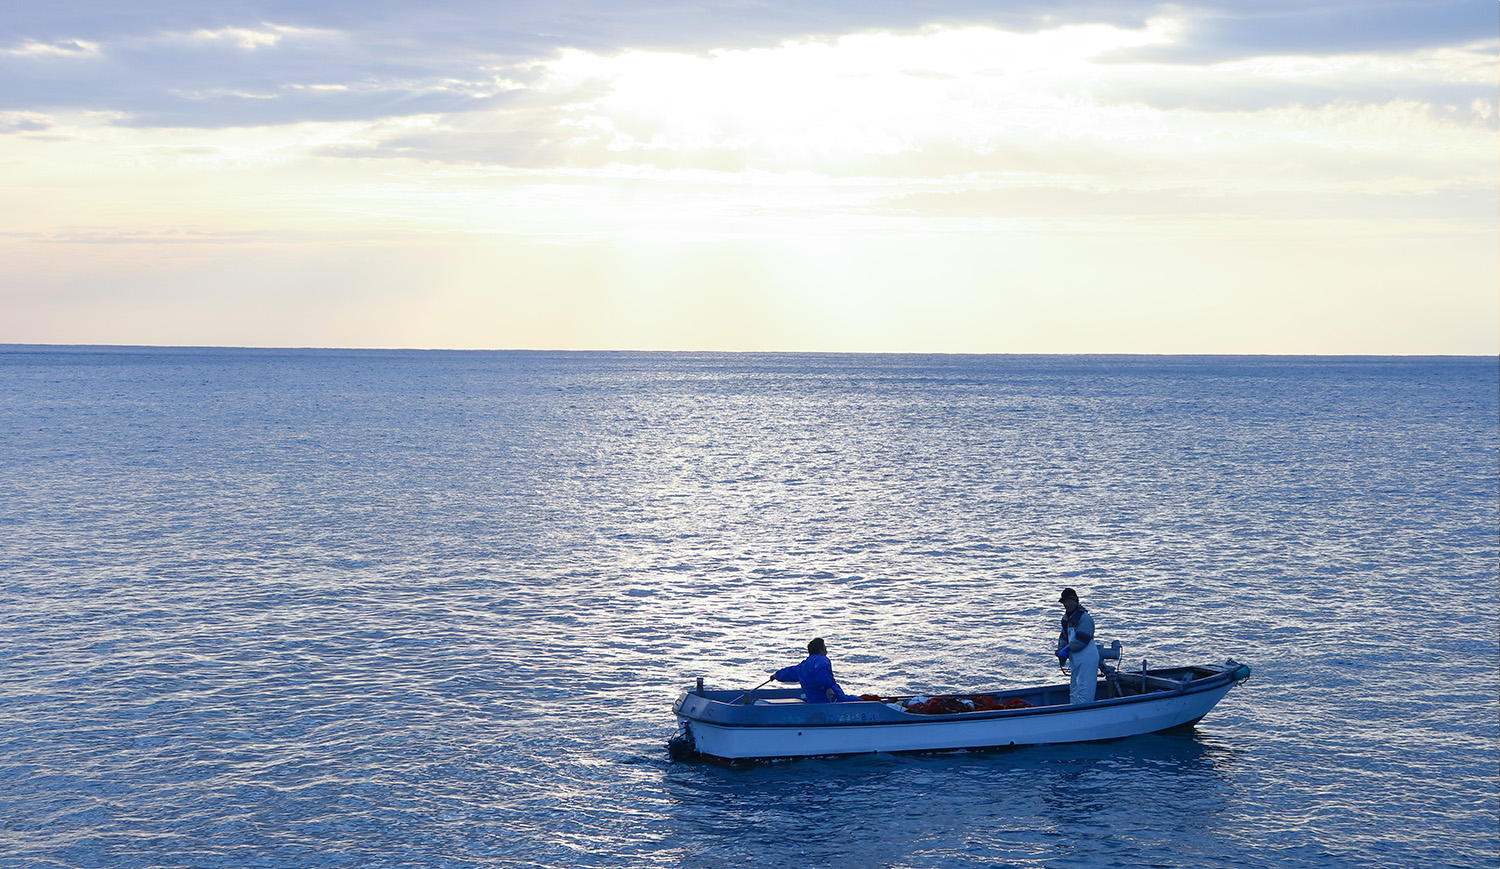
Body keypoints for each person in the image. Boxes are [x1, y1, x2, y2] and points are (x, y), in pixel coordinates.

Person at [772, 637, 858, 703]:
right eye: (825, 647)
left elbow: (788, 672)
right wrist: (828, 688)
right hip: (832, 700)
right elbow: (822, 675)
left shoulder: (802, 666)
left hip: (813, 701)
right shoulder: (822, 660)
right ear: (821, 649)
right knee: (864, 699)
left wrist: (776, 675)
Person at [1055, 587, 1101, 704]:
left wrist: (1067, 649)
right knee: (1074, 688)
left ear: (1076, 602)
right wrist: (1061, 649)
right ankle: (1074, 709)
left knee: (1084, 689)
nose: (1067, 604)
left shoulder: (1085, 618)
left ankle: (1084, 713)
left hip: (1087, 657)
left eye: (1070, 601)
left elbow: (1082, 639)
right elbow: (1064, 636)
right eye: (1065, 602)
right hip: (1075, 658)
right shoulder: (1066, 619)